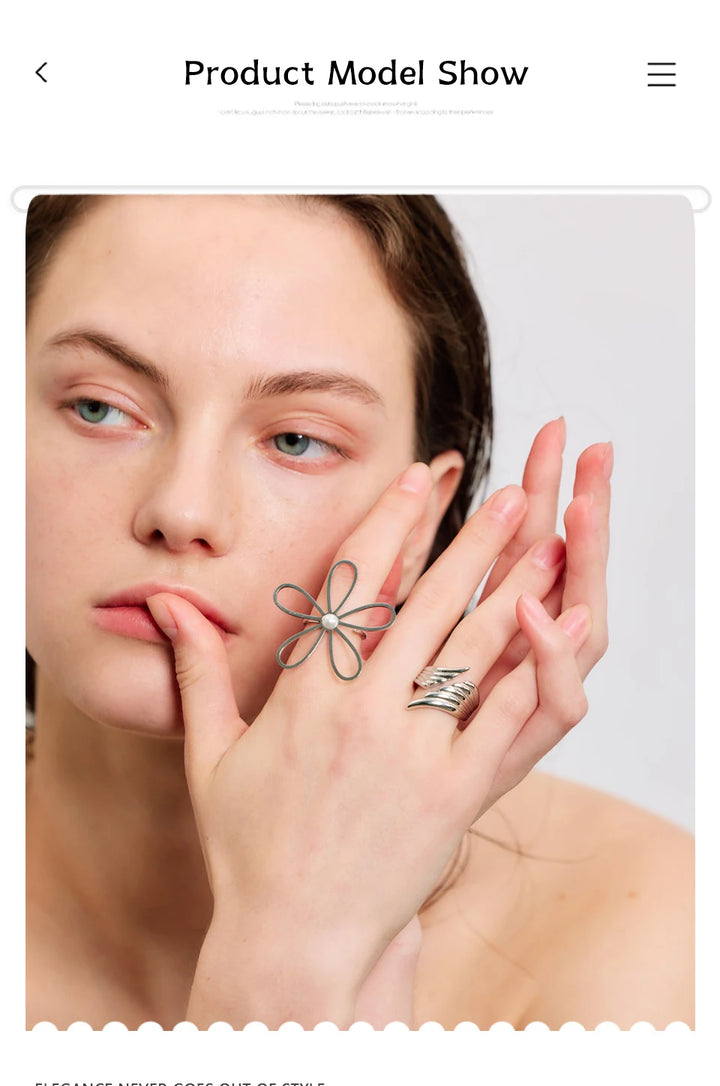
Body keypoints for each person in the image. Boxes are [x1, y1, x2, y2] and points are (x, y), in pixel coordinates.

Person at [25, 193, 693, 1030]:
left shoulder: (657, 941)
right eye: (98, 408)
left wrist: (297, 944)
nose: (182, 510)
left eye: (297, 440)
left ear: (420, 523)